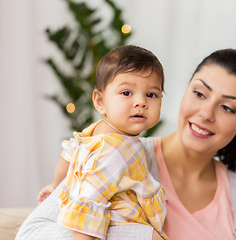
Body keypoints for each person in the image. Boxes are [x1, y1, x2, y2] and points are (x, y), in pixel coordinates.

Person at [16, 48, 236, 240]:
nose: (206, 113)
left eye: (227, 107)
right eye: (199, 93)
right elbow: (30, 234)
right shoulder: (117, 153)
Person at [36, 45, 168, 240]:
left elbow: (68, 155)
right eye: (126, 93)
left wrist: (56, 187)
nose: (141, 102)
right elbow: (89, 203)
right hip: (118, 225)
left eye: (151, 95)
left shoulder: (95, 132)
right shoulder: (113, 150)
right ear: (99, 101)